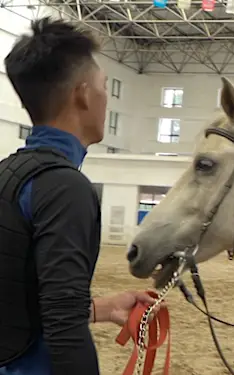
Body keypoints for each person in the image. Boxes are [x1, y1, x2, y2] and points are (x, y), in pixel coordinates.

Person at [0, 17, 158, 375]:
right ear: (84, 94)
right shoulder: (65, 187)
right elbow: (64, 328)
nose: (106, 99)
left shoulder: (7, 174)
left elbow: (17, 297)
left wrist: (103, 308)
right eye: (104, 86)